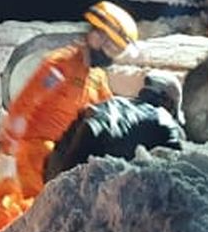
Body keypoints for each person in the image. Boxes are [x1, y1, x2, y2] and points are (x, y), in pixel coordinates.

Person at [0, 0, 139, 198]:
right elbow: (25, 104)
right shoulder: (60, 66)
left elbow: (109, 111)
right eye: (113, 49)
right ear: (97, 38)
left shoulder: (96, 77)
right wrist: (7, 151)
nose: (113, 57)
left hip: (64, 159)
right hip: (36, 158)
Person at [43, 71, 186, 182]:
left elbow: (58, 155)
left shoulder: (111, 103)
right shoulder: (164, 119)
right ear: (167, 102)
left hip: (58, 168)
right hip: (94, 179)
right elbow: (177, 173)